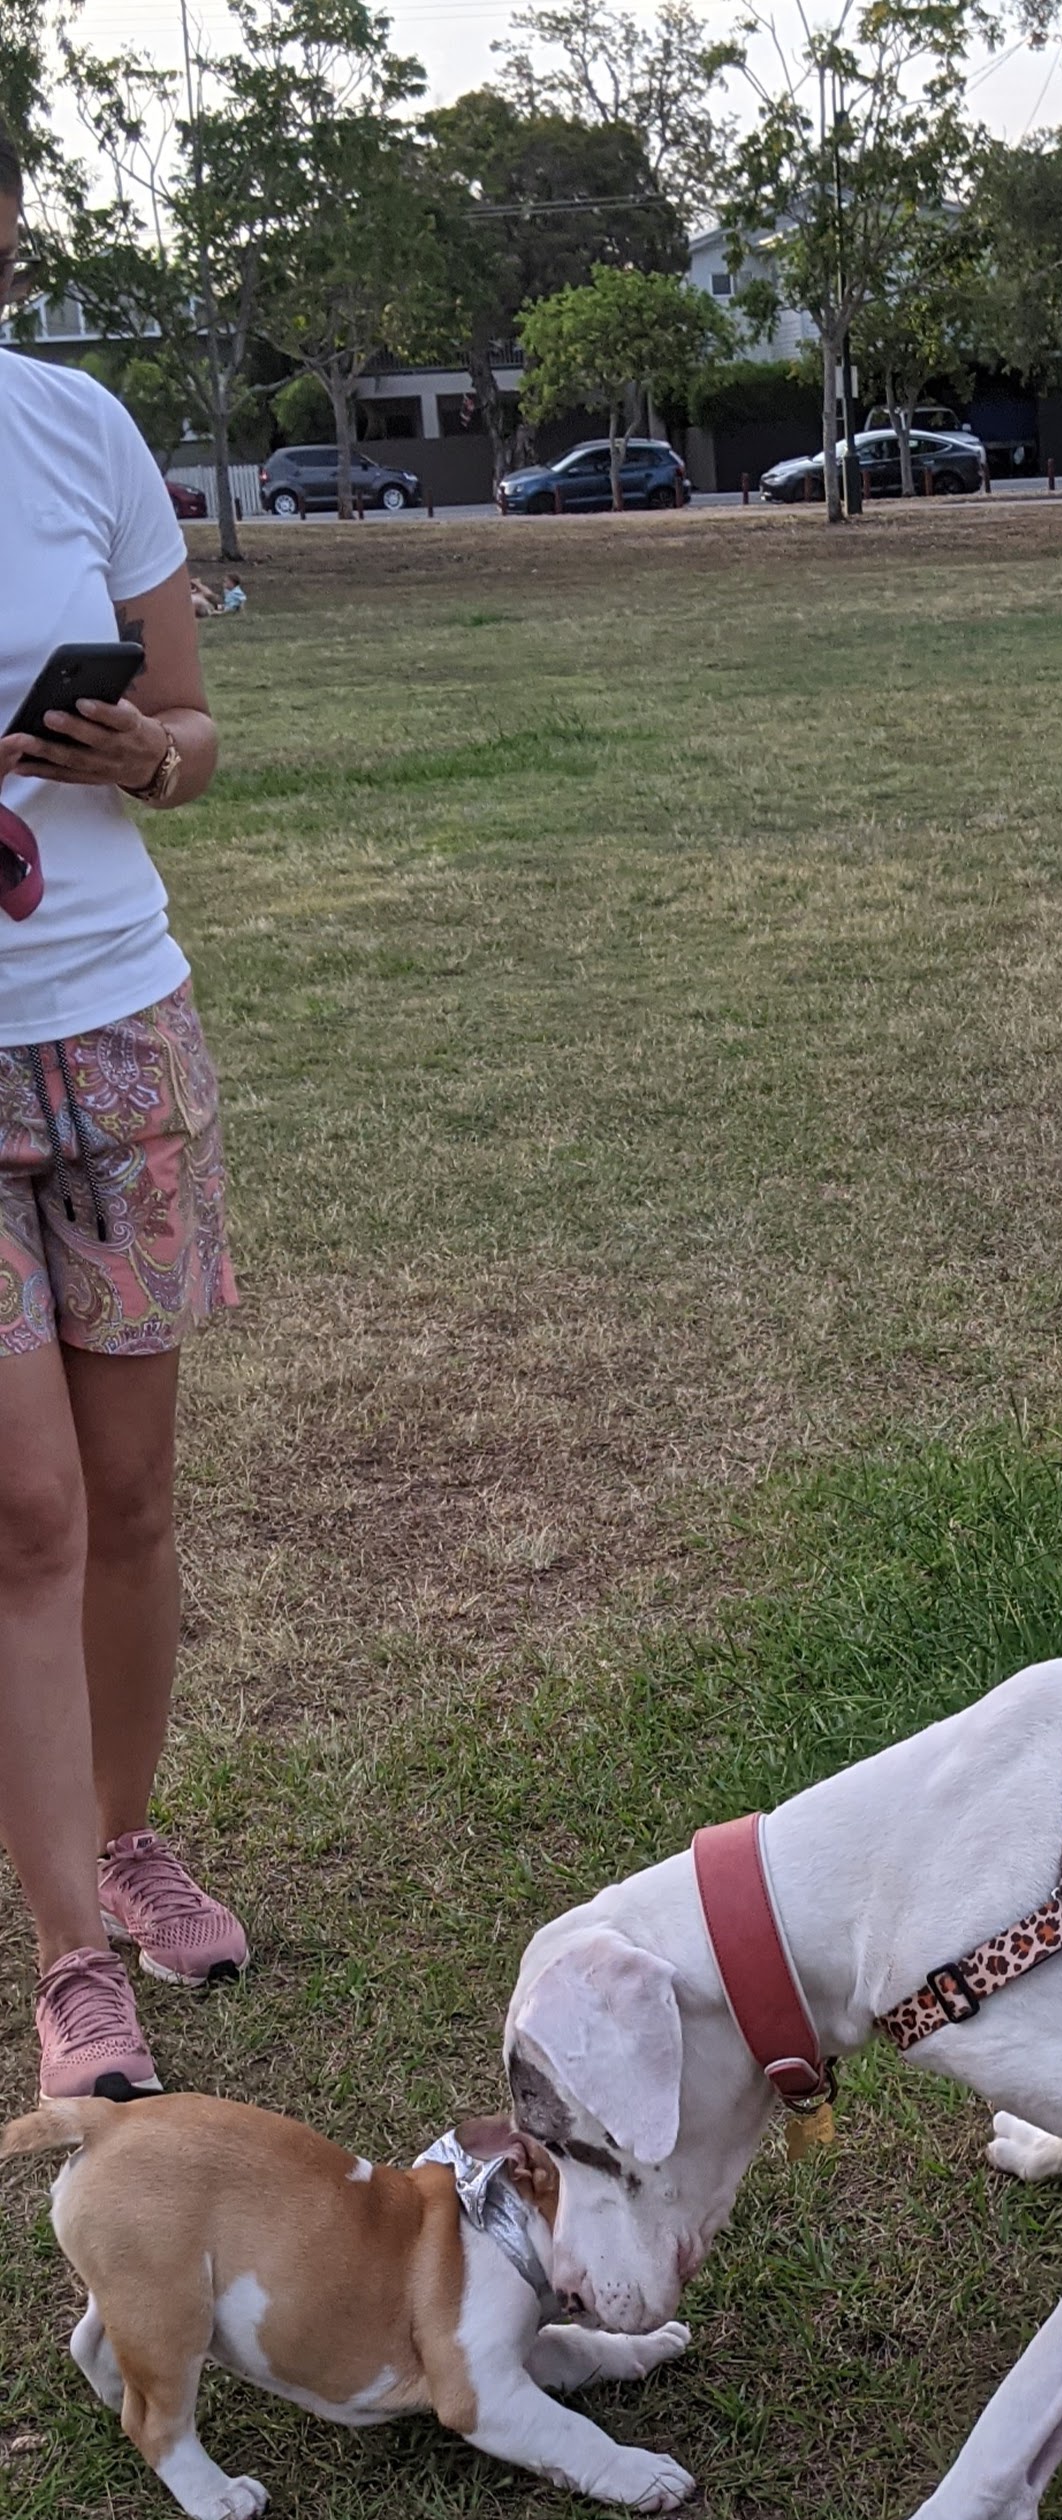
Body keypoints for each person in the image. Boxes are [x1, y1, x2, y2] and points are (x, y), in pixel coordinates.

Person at [1, 135, 248, 2097]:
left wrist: (132, 751)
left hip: (115, 1023)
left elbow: (193, 737)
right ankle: (73, 1961)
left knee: (138, 1500)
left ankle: (128, 1838)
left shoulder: (77, 425)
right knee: (28, 1515)